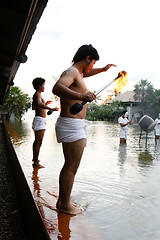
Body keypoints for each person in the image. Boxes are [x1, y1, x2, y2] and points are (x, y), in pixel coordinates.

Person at [52, 44, 116, 215]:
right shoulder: (72, 72)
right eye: (93, 63)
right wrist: (82, 96)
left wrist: (102, 70)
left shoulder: (79, 73)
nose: (92, 67)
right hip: (72, 125)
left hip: (75, 124)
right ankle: (65, 204)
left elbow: (86, 72)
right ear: (87, 58)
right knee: (71, 165)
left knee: (72, 165)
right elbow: (57, 88)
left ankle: (62, 201)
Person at [32, 77, 59, 168]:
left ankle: (35, 158)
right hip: (40, 120)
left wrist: (45, 104)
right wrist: (51, 108)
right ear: (39, 85)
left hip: (39, 120)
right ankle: (36, 163)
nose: (44, 87)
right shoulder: (37, 95)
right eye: (43, 85)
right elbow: (39, 104)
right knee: (38, 142)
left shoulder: (37, 95)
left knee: (37, 142)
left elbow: (34, 107)